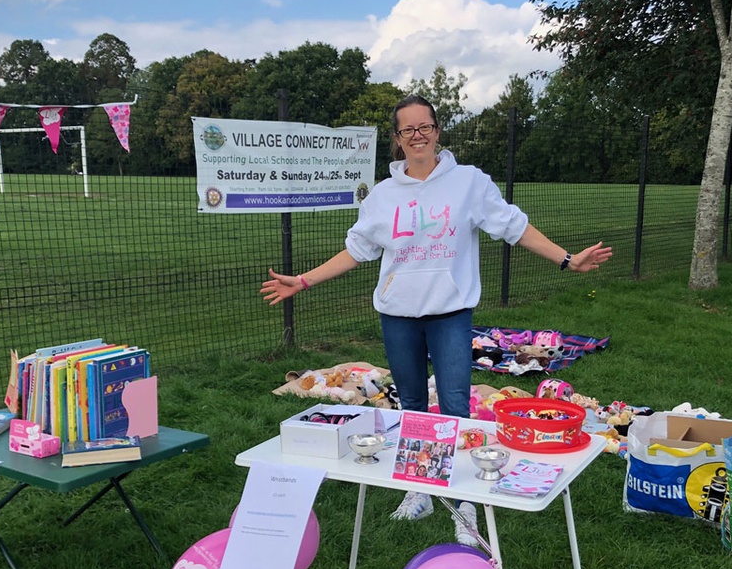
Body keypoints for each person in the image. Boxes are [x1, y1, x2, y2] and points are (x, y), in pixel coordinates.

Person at [261, 94, 612, 546]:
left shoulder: (468, 182)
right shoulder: (383, 196)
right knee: (410, 404)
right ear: (397, 139)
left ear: (437, 130)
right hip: (399, 316)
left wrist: (567, 260)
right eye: (407, 129)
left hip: (450, 313)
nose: (417, 135)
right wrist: (303, 281)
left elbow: (513, 226)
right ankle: (420, 488)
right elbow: (358, 249)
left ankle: (465, 503)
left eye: (424, 126)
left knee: (454, 404)